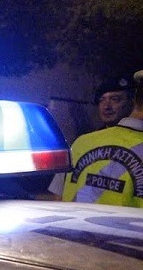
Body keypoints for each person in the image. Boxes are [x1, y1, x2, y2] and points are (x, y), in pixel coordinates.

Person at [55, 70, 143, 207]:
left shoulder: (82, 143)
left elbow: (57, 199)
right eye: (102, 100)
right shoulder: (81, 142)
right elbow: (58, 196)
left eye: (115, 99)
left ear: (133, 103)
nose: (107, 106)